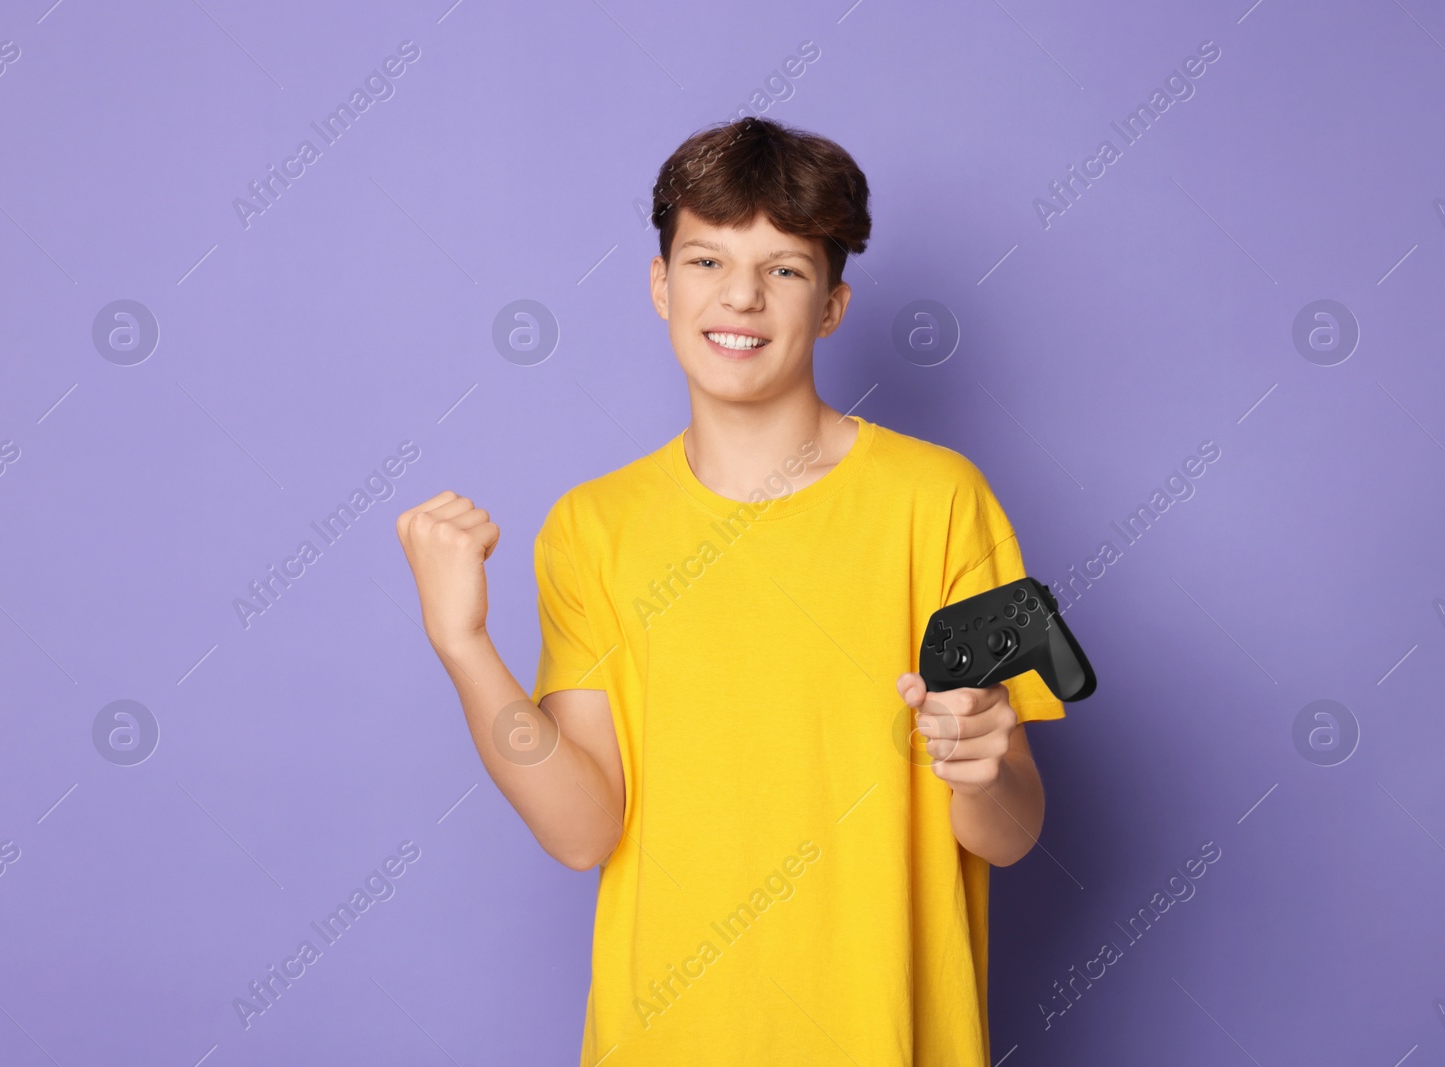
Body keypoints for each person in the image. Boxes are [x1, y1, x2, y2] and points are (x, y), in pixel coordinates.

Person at [396, 115, 1066, 1065]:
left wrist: (988, 766)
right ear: (662, 284)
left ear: (832, 303)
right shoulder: (593, 528)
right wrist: (464, 645)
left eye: (785, 268)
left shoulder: (941, 502)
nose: (742, 295)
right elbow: (586, 830)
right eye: (708, 261)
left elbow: (1011, 833)